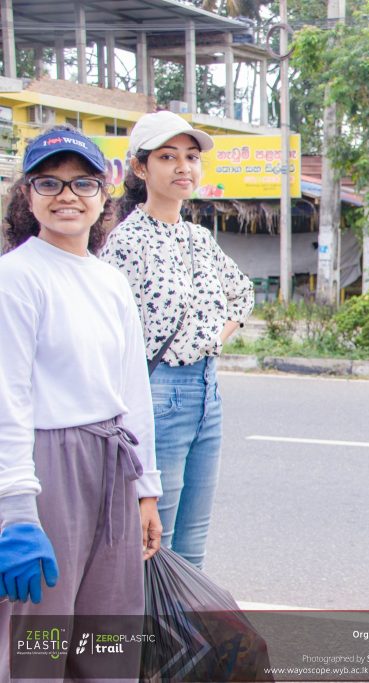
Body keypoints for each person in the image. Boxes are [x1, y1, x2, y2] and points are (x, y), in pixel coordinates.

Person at [0, 126, 161, 679]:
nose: (67, 195)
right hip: (47, 469)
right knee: (40, 635)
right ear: (27, 196)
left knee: (109, 629)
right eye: (50, 182)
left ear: (103, 196)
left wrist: (146, 491)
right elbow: (9, 400)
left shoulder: (109, 280)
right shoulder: (15, 279)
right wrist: (17, 513)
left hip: (113, 461)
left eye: (83, 183)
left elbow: (132, 389)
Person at [101, 111, 254, 569]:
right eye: (167, 157)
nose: (183, 167)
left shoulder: (199, 237)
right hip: (157, 391)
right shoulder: (126, 242)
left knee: (193, 546)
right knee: (152, 544)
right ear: (140, 167)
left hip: (207, 391)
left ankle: (183, 642)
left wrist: (212, 339)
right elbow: (109, 331)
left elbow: (241, 294)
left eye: (191, 156)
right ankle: (143, 641)